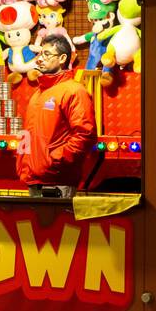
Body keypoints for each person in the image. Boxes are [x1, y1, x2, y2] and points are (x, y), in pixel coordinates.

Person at [16, 31, 96, 198]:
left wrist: (56, 160)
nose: (39, 58)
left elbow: (85, 134)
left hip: (58, 181)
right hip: (33, 178)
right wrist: (22, 162)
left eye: (46, 54)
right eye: (39, 53)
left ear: (62, 59)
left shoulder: (74, 91)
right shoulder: (38, 93)